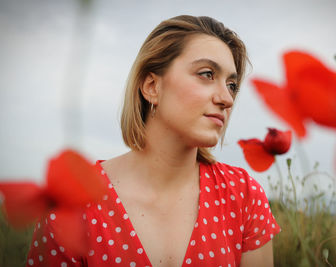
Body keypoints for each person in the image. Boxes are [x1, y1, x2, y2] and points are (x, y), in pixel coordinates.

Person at [26, 15, 280, 266]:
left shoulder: (244, 196)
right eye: (206, 74)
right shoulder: (74, 202)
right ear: (151, 86)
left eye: (232, 84)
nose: (227, 99)